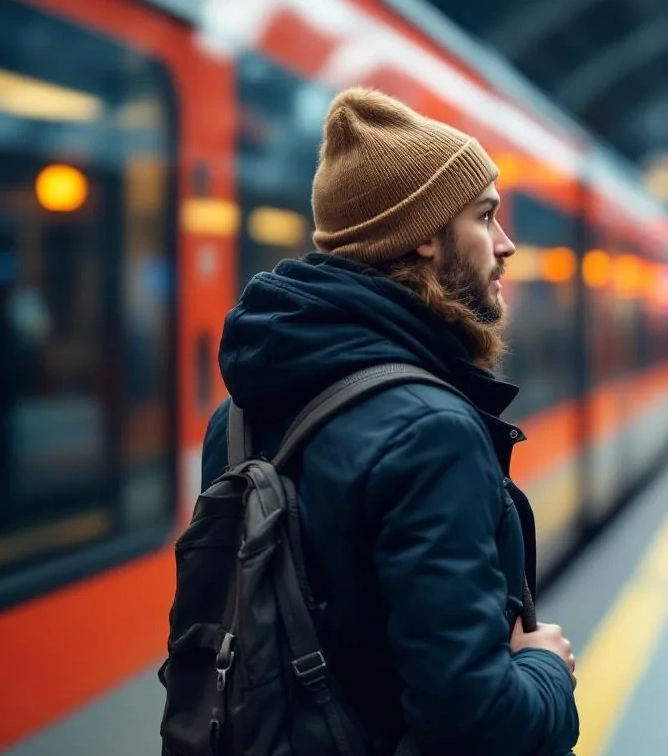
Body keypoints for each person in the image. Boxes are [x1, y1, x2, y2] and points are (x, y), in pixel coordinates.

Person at [198, 88, 580, 756]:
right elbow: (473, 720)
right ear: (426, 237)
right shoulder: (433, 433)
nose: (506, 244)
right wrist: (546, 668)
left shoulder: (235, 417)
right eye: (485, 218)